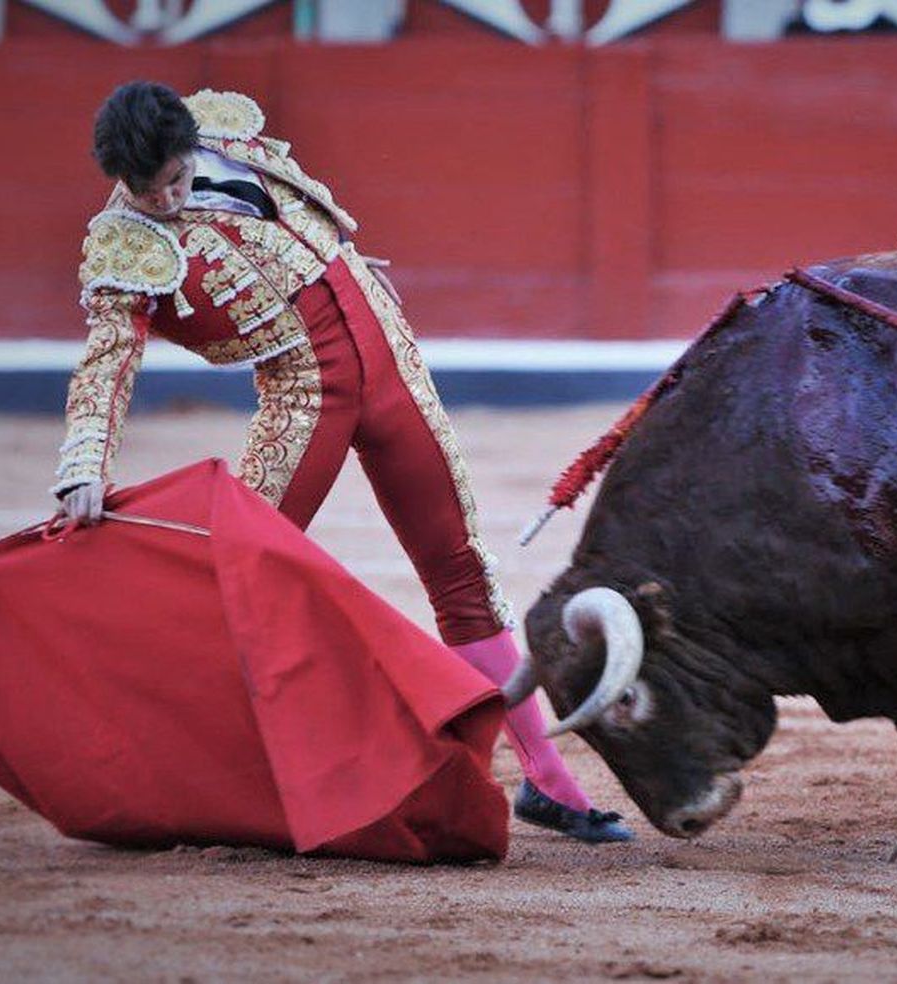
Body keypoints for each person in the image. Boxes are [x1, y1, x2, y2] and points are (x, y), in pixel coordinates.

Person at [52, 80, 629, 843]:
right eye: (148, 190)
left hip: (392, 368)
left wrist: (345, 264)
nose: (165, 201)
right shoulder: (123, 242)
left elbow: (310, 217)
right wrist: (83, 462)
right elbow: (107, 360)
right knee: (229, 586)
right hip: (304, 400)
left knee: (461, 570)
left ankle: (551, 786)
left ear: (189, 146)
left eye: (174, 180)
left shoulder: (225, 137)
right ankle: (168, 775)